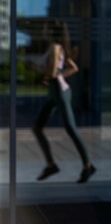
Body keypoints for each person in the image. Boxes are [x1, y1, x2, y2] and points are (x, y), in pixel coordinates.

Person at [32, 19, 97, 184]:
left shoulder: (55, 48)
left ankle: (88, 165)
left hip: (60, 93)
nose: (43, 30)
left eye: (46, 28)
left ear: (51, 31)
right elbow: (73, 67)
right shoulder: (57, 47)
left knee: (71, 128)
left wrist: (36, 68)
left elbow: (53, 72)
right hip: (56, 92)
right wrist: (53, 75)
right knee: (37, 127)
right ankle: (51, 164)